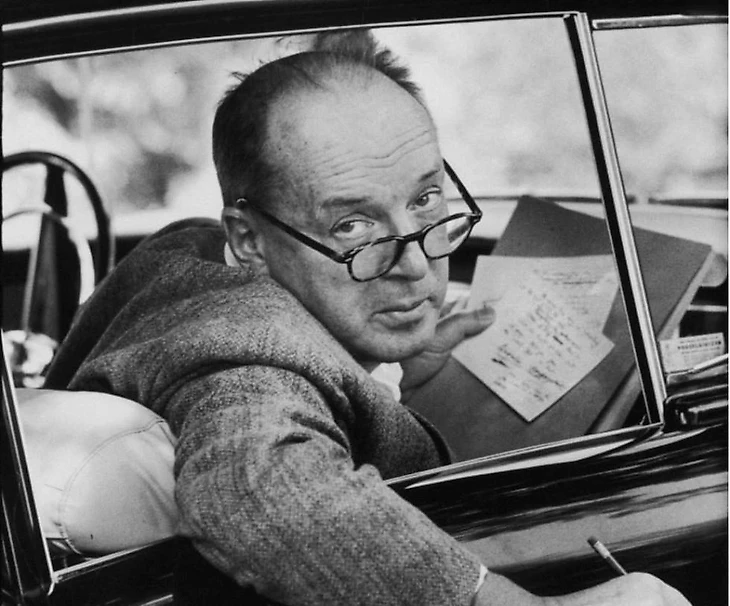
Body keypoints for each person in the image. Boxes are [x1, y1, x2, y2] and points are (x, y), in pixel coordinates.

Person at [46, 30, 692, 606]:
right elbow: (251, 487)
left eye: (426, 197)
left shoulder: (185, 255)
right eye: (353, 225)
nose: (414, 264)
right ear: (248, 239)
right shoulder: (248, 364)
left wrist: (383, 374)